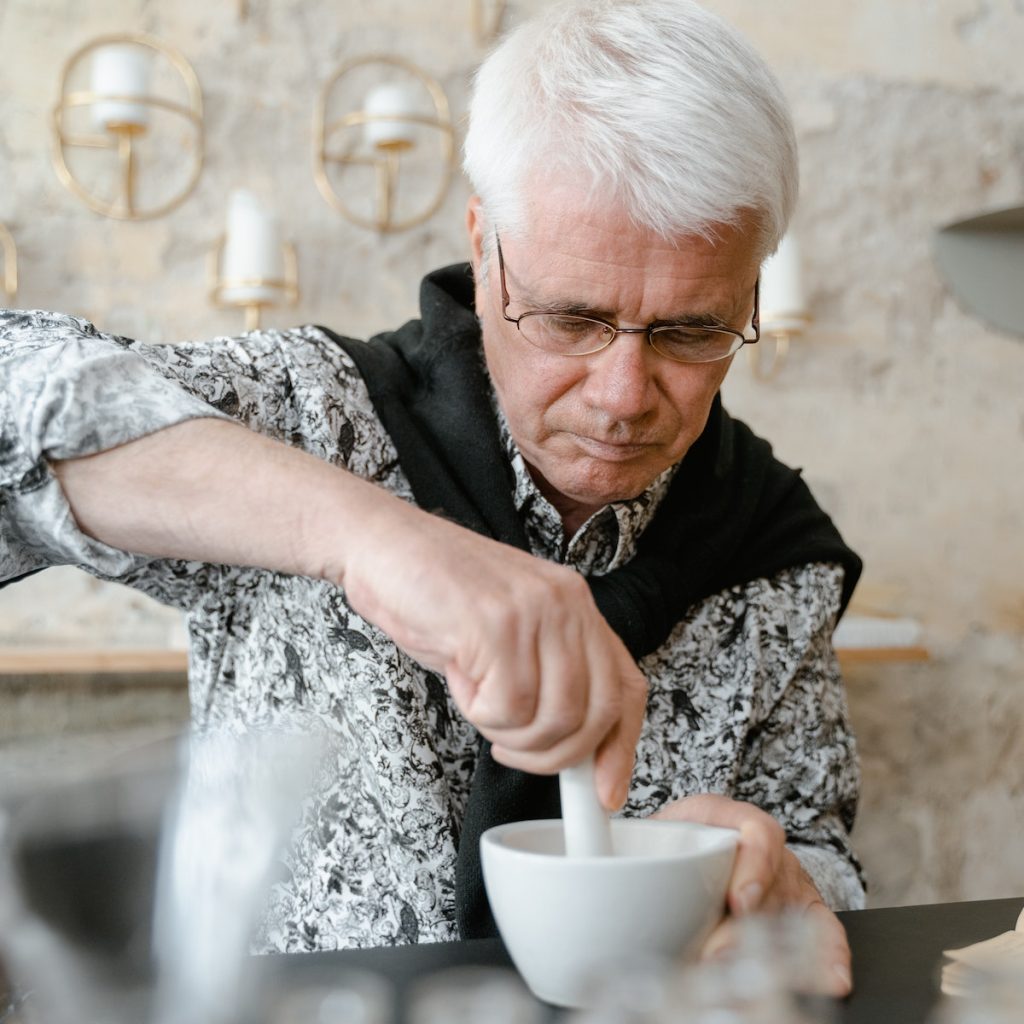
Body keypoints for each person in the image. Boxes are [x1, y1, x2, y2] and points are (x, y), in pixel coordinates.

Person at [0, 0, 863, 995]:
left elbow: (821, 857)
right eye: (572, 318)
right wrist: (368, 536)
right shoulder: (311, 421)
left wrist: (778, 883)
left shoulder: (773, 544)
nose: (625, 396)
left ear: (751, 289)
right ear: (483, 242)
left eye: (691, 331)